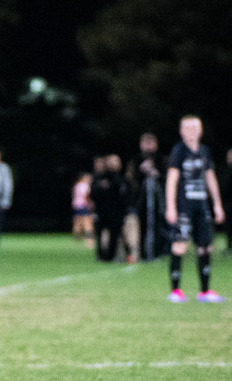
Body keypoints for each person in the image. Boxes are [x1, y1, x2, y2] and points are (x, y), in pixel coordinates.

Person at [165, 116, 226, 302]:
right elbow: (172, 179)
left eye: (194, 128)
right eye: (187, 128)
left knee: (205, 246)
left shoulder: (204, 151)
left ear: (200, 130)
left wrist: (217, 204)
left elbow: (210, 178)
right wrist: (171, 207)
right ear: (181, 131)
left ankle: (205, 291)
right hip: (184, 205)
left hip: (201, 204)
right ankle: (176, 291)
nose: (191, 131)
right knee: (180, 244)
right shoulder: (178, 151)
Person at [126, 132, 166, 261]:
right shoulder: (136, 159)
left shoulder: (161, 159)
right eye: (145, 143)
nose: (148, 146)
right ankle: (143, 252)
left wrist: (156, 172)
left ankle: (157, 251)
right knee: (141, 226)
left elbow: (166, 177)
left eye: (151, 143)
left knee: (158, 226)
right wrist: (141, 170)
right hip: (141, 200)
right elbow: (130, 178)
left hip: (158, 200)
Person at [91, 154, 130, 262]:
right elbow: (93, 194)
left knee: (115, 235)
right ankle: (101, 255)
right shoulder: (99, 178)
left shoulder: (121, 178)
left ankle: (112, 255)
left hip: (116, 212)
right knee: (100, 235)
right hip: (102, 211)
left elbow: (124, 195)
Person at [71, 173, 94, 248]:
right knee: (87, 222)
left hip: (76, 205)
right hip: (84, 205)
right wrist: (89, 205)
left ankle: (77, 238)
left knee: (77, 222)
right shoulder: (85, 186)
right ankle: (89, 240)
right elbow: (86, 196)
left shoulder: (76, 186)